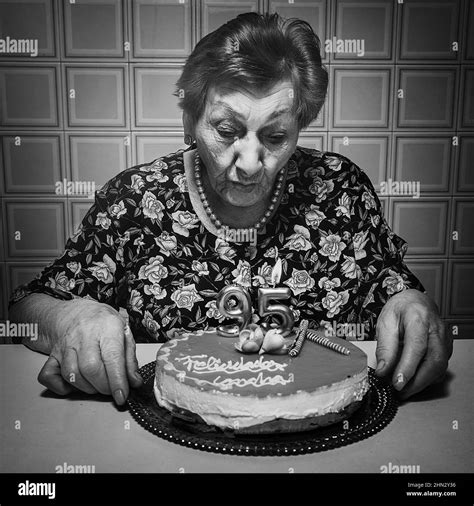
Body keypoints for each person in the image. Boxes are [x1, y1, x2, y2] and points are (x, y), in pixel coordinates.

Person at [8, 12, 452, 407]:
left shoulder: (341, 189)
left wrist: (409, 303)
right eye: (226, 130)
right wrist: (71, 318)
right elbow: (27, 307)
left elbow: (390, 286)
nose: (250, 163)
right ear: (190, 118)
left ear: (301, 125)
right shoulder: (134, 199)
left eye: (276, 137)